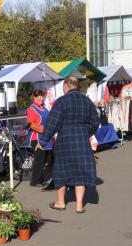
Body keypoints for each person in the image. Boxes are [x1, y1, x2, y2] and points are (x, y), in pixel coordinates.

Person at [37, 77, 100, 214]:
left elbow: (52, 124)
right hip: (82, 141)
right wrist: (85, 132)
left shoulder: (61, 101)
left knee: (61, 171)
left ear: (66, 86)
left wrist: (42, 142)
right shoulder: (87, 101)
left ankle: (60, 203)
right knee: (81, 172)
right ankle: (79, 206)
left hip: (65, 141)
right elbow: (95, 122)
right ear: (76, 86)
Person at [26, 90, 54, 188]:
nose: (40, 98)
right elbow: (31, 124)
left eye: (42, 96)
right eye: (38, 96)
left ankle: (41, 178)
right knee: (39, 160)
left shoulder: (44, 108)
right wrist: (44, 130)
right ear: (34, 97)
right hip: (36, 138)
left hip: (46, 137)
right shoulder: (31, 109)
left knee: (45, 159)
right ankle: (35, 181)